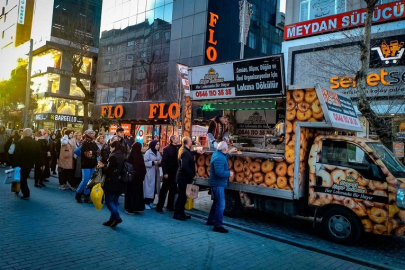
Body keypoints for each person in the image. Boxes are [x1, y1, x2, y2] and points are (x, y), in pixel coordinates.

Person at [207, 142, 236, 233]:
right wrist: (229, 173)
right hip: (218, 184)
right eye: (227, 148)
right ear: (224, 149)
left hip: (216, 183)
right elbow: (219, 172)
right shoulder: (219, 158)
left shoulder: (217, 154)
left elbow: (224, 156)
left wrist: (230, 152)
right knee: (221, 205)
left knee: (216, 203)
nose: (227, 149)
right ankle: (218, 225)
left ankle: (211, 220)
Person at [99, 140, 126, 227]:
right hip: (120, 180)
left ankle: (117, 217)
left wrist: (103, 167)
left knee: (108, 200)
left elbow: (109, 171)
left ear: (113, 147)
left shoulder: (113, 156)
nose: (110, 149)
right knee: (115, 201)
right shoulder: (122, 155)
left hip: (112, 181)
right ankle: (112, 220)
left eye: (110, 147)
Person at [12, 128, 40, 200]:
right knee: (24, 177)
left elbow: (16, 154)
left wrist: (14, 164)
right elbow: (38, 154)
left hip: (21, 163)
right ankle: (19, 190)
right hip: (30, 163)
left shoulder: (20, 142)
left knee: (22, 178)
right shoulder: (35, 142)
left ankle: (26, 193)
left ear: (25, 133)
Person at [173, 137, 196, 221]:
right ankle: (177, 213)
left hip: (184, 177)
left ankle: (181, 212)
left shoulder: (184, 150)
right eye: (190, 141)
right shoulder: (184, 152)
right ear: (187, 142)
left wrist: (197, 151)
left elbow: (190, 153)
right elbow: (184, 167)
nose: (192, 142)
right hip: (183, 178)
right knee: (181, 196)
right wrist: (192, 175)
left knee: (184, 196)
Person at [156, 135, 179, 213]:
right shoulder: (167, 149)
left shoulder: (178, 148)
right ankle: (159, 206)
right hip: (168, 172)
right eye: (176, 138)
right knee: (164, 190)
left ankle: (170, 205)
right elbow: (164, 162)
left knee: (173, 190)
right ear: (172, 140)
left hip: (175, 172)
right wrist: (165, 172)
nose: (178, 139)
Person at [76, 129, 99, 204]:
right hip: (86, 164)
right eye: (92, 134)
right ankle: (78, 193)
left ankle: (87, 195)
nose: (93, 135)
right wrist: (93, 153)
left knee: (90, 181)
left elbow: (99, 152)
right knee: (85, 180)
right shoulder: (85, 143)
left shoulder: (94, 143)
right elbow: (87, 154)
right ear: (88, 134)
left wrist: (93, 153)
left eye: (94, 134)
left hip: (92, 164)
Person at [125, 142, 147, 214]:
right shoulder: (140, 156)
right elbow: (143, 168)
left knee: (130, 193)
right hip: (138, 179)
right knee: (138, 193)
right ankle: (138, 207)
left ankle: (130, 207)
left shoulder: (131, 156)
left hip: (131, 178)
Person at [143, 140, 162, 209]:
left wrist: (160, 162)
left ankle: (151, 202)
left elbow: (160, 160)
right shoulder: (148, 152)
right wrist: (153, 162)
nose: (158, 146)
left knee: (154, 188)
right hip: (150, 172)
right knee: (149, 188)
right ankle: (146, 202)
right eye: (157, 144)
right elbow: (145, 162)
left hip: (156, 172)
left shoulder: (158, 153)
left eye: (159, 144)